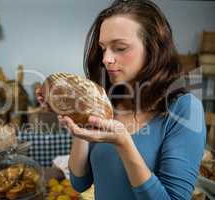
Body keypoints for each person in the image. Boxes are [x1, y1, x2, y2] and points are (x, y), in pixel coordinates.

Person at [37, 0, 206, 199]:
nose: (106, 58)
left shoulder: (184, 109)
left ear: (153, 48)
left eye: (119, 48)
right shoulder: (106, 102)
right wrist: (76, 117)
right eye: (103, 48)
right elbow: (80, 183)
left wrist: (124, 143)